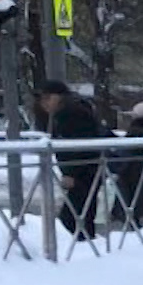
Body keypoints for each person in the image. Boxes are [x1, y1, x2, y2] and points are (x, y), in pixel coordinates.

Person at [38, 80, 107, 241]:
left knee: (73, 217)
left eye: (48, 98)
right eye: (42, 99)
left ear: (59, 97)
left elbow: (76, 146)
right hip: (88, 169)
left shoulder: (70, 113)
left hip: (83, 172)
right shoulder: (73, 109)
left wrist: (70, 173)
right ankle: (87, 246)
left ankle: (85, 248)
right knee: (82, 214)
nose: (44, 103)